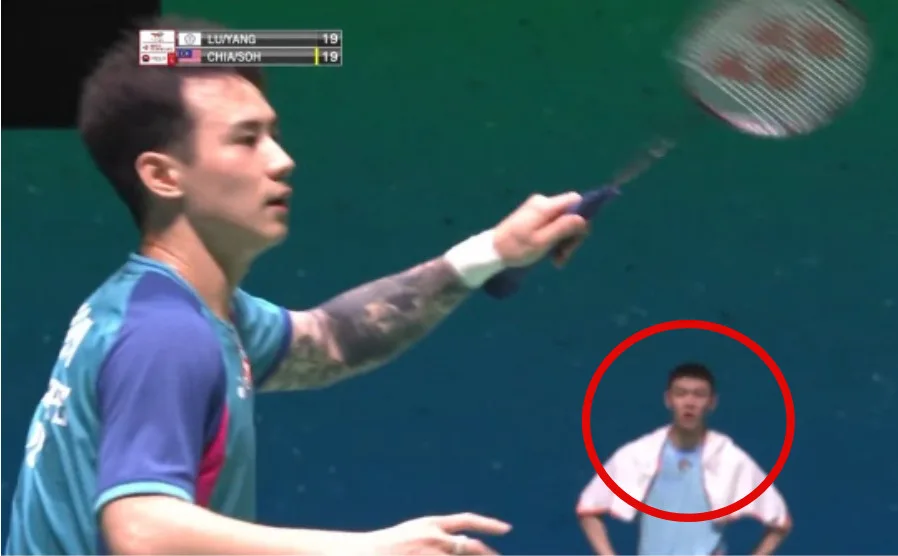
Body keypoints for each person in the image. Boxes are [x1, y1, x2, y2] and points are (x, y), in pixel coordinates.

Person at [4, 15, 592, 556]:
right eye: (246, 139)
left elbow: (331, 339)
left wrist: (494, 251)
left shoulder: (195, 311)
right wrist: (367, 550)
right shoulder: (165, 332)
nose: (282, 159)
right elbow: (142, 530)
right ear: (162, 175)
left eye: (274, 133)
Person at [576, 363, 792, 555]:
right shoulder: (640, 454)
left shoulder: (728, 458)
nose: (690, 402)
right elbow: (588, 508)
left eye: (699, 395)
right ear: (668, 399)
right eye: (681, 393)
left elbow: (780, 522)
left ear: (712, 402)